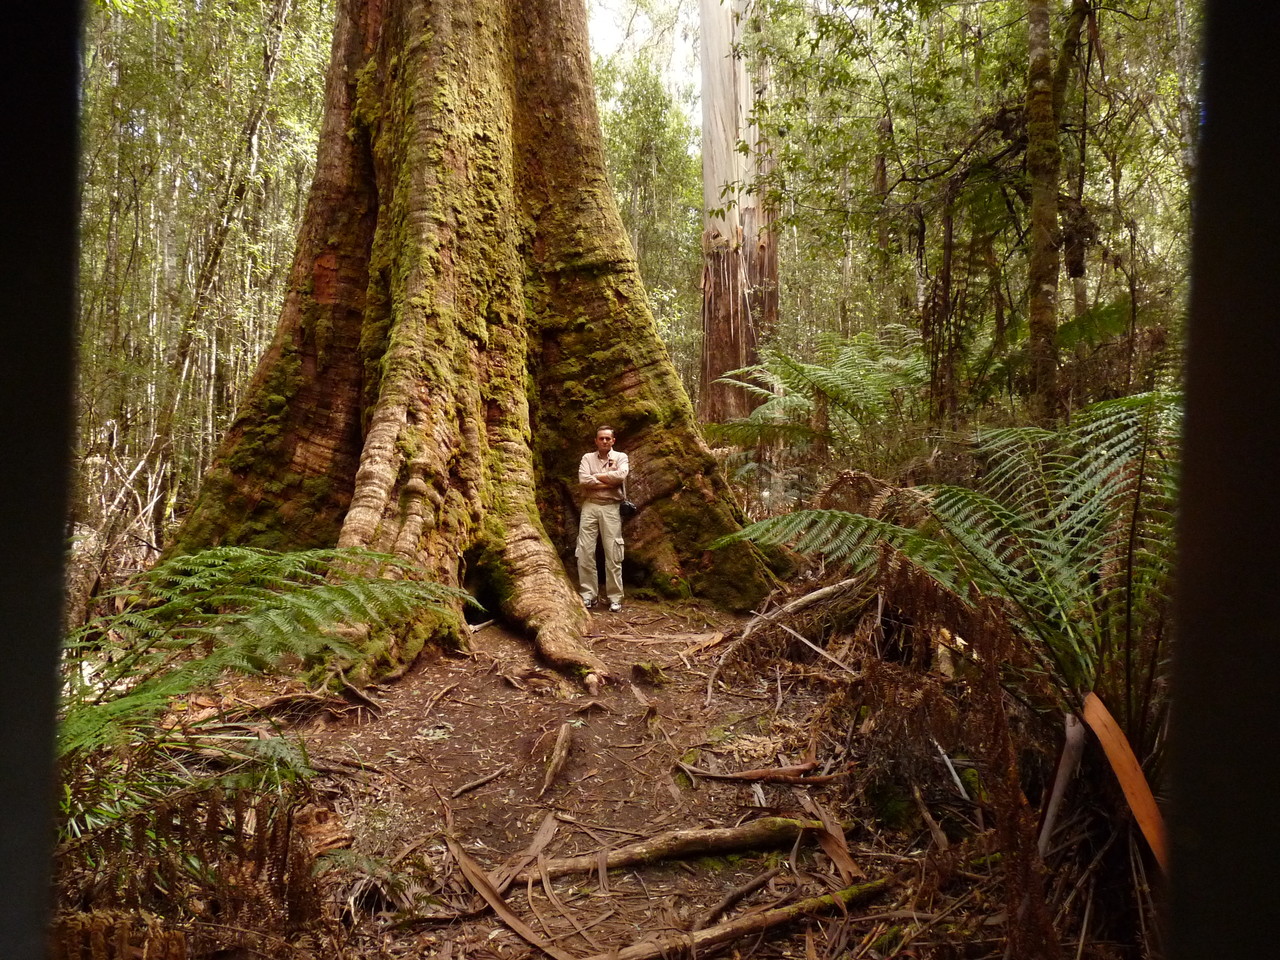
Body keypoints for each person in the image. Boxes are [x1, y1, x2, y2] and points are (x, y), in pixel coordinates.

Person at [576, 425, 629, 612]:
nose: (605, 441)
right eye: (601, 438)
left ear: (613, 441)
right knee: (585, 551)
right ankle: (588, 594)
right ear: (596, 441)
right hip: (590, 506)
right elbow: (584, 480)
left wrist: (596, 478)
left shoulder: (621, 457)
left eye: (608, 438)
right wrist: (608, 480)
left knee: (613, 552)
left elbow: (620, 476)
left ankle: (615, 597)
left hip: (611, 508)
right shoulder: (587, 458)